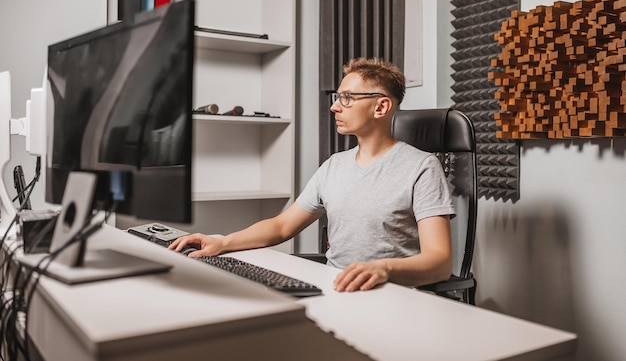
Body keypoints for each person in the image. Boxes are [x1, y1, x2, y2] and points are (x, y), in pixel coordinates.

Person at [169, 57, 455, 292]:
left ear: (381, 106)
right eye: (336, 97)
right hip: (335, 290)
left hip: (392, 296)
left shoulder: (422, 168)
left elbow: (439, 262)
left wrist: (383, 269)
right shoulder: (334, 166)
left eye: (346, 98)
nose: (334, 106)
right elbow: (282, 226)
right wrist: (221, 242)